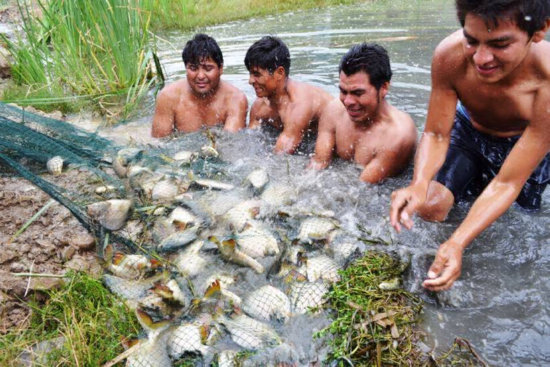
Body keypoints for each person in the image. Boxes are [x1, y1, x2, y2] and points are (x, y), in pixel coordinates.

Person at [390, 0, 550, 291]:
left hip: (526, 143)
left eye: (500, 44)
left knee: (520, 226)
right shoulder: (449, 56)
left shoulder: (547, 78)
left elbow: (508, 182)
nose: (481, 58)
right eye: (471, 40)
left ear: (539, 30)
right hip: (469, 130)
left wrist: (457, 242)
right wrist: (419, 182)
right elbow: (437, 134)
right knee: (430, 207)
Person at [308, 43, 417, 183]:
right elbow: (318, 163)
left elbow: (361, 189)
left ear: (384, 88)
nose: (347, 101)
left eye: (357, 93)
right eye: (343, 91)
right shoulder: (334, 111)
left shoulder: (397, 136)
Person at [245, 36, 335, 154]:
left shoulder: (300, 104)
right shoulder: (259, 107)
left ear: (279, 73)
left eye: (257, 74)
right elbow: (250, 142)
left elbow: (281, 156)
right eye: (250, 74)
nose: (250, 81)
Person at [151, 34, 248, 137]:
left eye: (208, 68)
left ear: (220, 69)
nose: (200, 76)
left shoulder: (236, 99)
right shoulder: (168, 97)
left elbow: (231, 143)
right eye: (193, 68)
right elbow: (159, 143)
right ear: (186, 68)